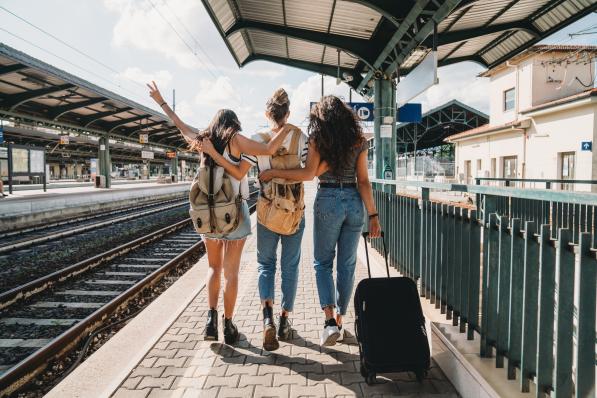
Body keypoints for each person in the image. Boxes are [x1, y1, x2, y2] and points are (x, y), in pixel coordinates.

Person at [147, 82, 291, 344]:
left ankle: (210, 322)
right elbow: (268, 150)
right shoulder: (236, 140)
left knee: (213, 268)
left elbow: (180, 125)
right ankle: (229, 325)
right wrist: (287, 128)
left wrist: (161, 102)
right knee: (231, 273)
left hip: (208, 215)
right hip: (233, 214)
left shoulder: (203, 139)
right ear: (233, 124)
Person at [260, 95, 381, 346]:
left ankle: (328, 323)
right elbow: (364, 182)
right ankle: (339, 320)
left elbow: (307, 174)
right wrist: (373, 216)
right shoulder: (358, 140)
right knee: (347, 266)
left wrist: (273, 172)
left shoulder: (318, 140)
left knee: (322, 264)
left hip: (327, 200)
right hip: (354, 202)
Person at [241, 88, 307, 351]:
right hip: (293, 212)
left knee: (265, 266)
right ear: (288, 113)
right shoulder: (301, 138)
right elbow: (307, 172)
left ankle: (266, 317)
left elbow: (241, 170)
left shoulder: (258, 139)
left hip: (267, 213)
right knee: (290, 268)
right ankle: (284, 321)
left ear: (267, 113)